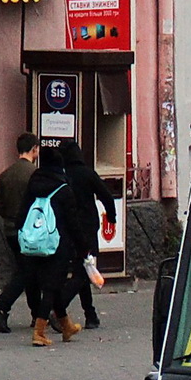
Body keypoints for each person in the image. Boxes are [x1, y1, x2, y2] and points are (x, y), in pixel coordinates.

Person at [19, 146, 90, 347]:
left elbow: (23, 212)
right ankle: (39, 332)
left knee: (54, 286)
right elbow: (73, 222)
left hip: (36, 242)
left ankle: (66, 326)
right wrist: (83, 247)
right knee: (51, 287)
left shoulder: (33, 184)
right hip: (58, 244)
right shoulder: (64, 189)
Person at [60, 140, 116, 328]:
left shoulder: (62, 175)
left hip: (68, 228)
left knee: (81, 268)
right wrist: (112, 216)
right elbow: (106, 195)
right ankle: (58, 307)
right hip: (87, 227)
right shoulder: (87, 173)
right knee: (83, 272)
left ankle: (90, 315)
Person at [0, 133, 41, 334]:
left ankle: (37, 314)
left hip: (10, 230)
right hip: (31, 232)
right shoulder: (34, 174)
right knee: (27, 272)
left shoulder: (6, 174)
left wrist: (10, 216)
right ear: (34, 148)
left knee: (29, 270)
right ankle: (2, 307)